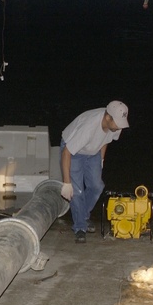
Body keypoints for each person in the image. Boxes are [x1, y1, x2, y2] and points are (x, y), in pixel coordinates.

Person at [60, 101, 130, 243]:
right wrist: (67, 183)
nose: (120, 127)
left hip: (94, 152)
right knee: (77, 190)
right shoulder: (89, 126)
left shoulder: (116, 124)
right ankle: (80, 227)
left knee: (97, 186)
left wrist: (101, 160)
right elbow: (67, 152)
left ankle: (83, 216)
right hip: (74, 151)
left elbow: (105, 140)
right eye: (117, 123)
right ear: (107, 117)